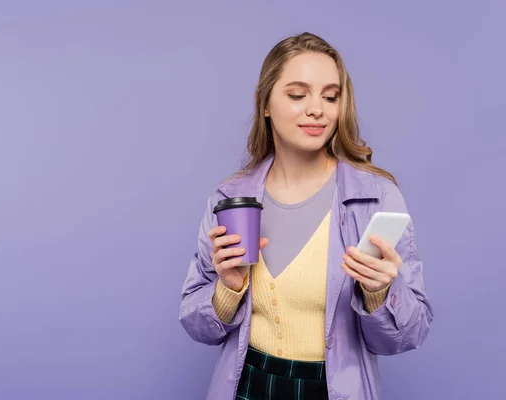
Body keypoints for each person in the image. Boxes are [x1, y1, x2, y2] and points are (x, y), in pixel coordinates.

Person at [179, 31, 433, 400]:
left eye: (331, 96)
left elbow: (409, 335)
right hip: (246, 387)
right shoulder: (229, 198)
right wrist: (228, 289)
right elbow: (198, 327)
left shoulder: (375, 198)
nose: (318, 109)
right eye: (298, 95)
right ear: (264, 103)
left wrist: (379, 294)